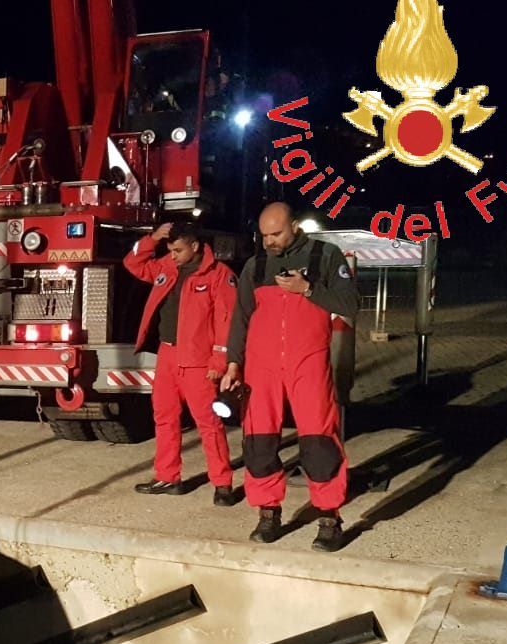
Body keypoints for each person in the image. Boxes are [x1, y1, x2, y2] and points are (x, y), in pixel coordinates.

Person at [220, 203, 359, 550]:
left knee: (319, 441)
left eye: (276, 234)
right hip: (260, 367)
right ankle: (268, 513)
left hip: (308, 363)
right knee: (259, 441)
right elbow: (241, 318)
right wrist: (234, 362)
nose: (269, 241)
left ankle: (329, 517)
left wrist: (308, 289)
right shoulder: (256, 265)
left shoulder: (325, 256)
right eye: (264, 235)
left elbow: (350, 304)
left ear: (294, 226)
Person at [123, 220, 240, 505]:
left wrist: (219, 360)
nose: (172, 255)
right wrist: (152, 239)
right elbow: (133, 262)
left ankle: (222, 483)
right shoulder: (166, 267)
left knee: (208, 423)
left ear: (196, 246)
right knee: (164, 417)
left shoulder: (219, 275)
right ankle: (167, 476)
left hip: (199, 361)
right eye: (169, 250)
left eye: (177, 250)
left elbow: (227, 321)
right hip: (168, 355)